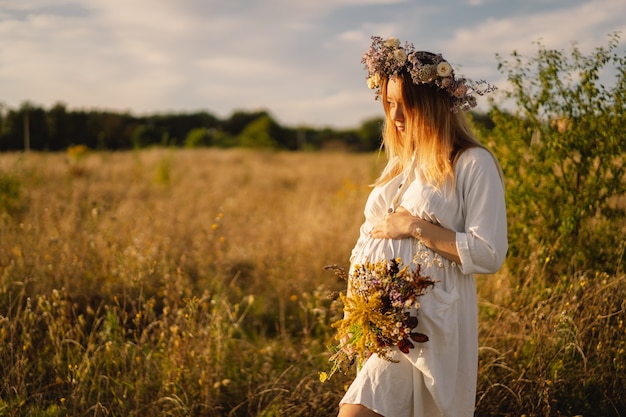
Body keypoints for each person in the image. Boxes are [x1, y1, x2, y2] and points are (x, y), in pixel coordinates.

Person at [337, 36, 508, 417]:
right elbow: (365, 243)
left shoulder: (472, 163)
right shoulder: (399, 168)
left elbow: (490, 253)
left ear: (431, 105)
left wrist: (415, 227)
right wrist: (356, 316)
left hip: (433, 325)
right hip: (386, 326)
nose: (395, 116)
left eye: (406, 105)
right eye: (390, 103)